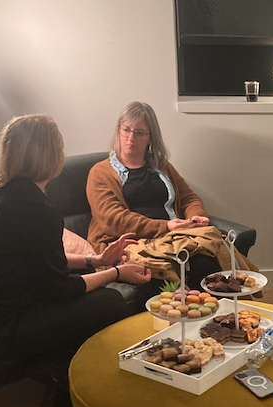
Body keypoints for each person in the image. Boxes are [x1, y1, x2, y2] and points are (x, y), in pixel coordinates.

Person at [0, 114, 151, 407]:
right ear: (52, 157)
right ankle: (58, 376)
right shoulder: (37, 210)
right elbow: (61, 289)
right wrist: (117, 274)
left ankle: (57, 369)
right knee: (111, 302)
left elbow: (41, 259)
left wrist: (96, 261)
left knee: (95, 291)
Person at [86, 101, 223, 300]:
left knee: (208, 260)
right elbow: (113, 220)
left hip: (175, 236)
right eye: (126, 130)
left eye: (139, 132)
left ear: (151, 137)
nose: (130, 138)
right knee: (161, 272)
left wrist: (196, 218)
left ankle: (216, 320)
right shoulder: (100, 172)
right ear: (118, 131)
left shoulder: (162, 167)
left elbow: (188, 198)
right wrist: (166, 226)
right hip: (131, 241)